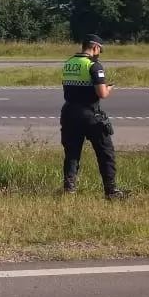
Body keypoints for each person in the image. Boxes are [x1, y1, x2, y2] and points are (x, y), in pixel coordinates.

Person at [60, 34, 129, 200]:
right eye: (100, 50)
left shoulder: (69, 63)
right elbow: (102, 93)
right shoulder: (94, 66)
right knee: (105, 152)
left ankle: (69, 190)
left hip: (69, 113)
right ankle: (111, 191)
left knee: (72, 153)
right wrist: (109, 88)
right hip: (90, 114)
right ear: (95, 47)